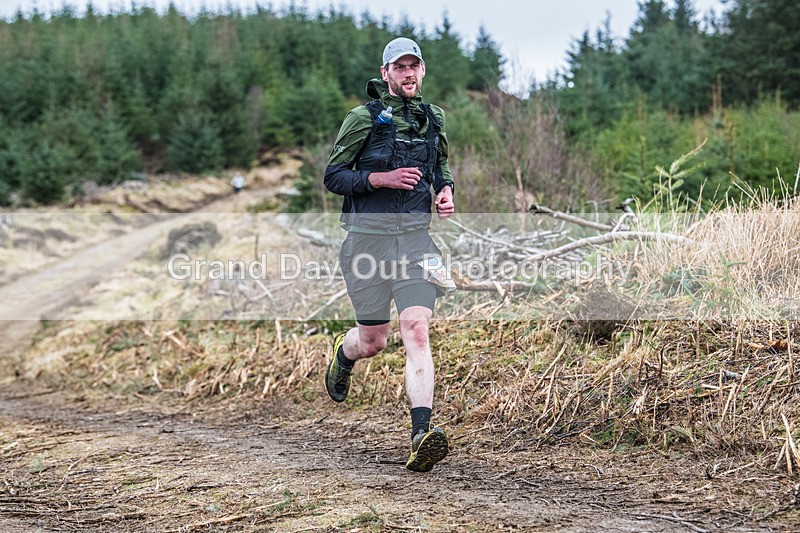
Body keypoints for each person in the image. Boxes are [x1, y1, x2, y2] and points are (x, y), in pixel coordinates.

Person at [322, 37, 455, 473]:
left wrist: (445, 191)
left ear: (423, 70)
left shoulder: (433, 118)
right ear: (386, 73)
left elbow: (439, 167)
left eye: (414, 66)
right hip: (367, 243)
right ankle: (345, 354)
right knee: (374, 341)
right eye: (400, 67)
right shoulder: (362, 118)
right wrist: (381, 179)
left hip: (415, 241)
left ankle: (421, 436)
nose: (408, 73)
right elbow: (334, 177)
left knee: (416, 329)